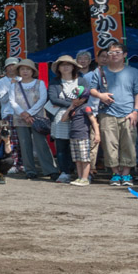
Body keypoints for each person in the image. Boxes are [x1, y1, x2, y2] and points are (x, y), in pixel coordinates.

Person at [86, 41, 138, 187]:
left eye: (118, 52)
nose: (114, 55)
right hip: (107, 113)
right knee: (109, 144)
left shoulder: (133, 72)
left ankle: (126, 174)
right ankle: (115, 173)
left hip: (128, 113)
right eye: (111, 53)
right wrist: (101, 96)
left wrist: (136, 111)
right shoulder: (100, 71)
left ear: (124, 55)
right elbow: (91, 89)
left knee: (129, 144)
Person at [7, 60, 58, 179]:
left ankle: (50, 169)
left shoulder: (39, 83)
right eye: (22, 69)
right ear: (19, 71)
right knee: (25, 145)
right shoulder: (14, 85)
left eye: (28, 69)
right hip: (20, 118)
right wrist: (23, 114)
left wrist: (29, 113)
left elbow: (42, 100)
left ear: (33, 71)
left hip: (37, 118)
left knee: (41, 144)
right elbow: (12, 101)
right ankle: (30, 170)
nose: (25, 71)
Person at [46, 55, 85, 183]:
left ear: (74, 66)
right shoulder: (55, 82)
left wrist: (68, 103)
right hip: (60, 116)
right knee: (61, 146)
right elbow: (53, 98)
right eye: (62, 65)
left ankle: (81, 172)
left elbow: (86, 96)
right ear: (58, 68)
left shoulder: (81, 80)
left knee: (79, 144)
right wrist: (72, 104)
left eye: (68, 64)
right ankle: (64, 171)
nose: (66, 67)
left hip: (79, 116)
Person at [67, 85, 100, 187]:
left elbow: (93, 121)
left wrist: (97, 134)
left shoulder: (86, 108)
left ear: (83, 98)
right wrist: (70, 108)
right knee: (77, 159)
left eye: (75, 97)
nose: (73, 99)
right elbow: (63, 119)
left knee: (85, 159)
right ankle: (80, 177)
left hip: (83, 136)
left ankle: (85, 178)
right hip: (73, 136)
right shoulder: (74, 109)